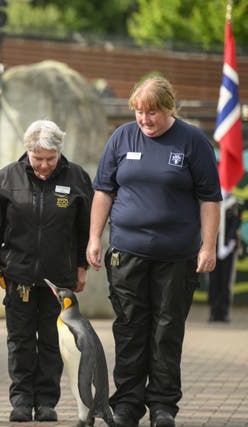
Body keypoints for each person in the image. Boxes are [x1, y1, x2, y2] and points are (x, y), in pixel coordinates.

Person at [86, 76, 222, 427]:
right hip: (127, 252)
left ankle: (163, 405)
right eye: (139, 112)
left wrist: (208, 246)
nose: (144, 119)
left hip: (176, 256)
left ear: (168, 109)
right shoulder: (122, 138)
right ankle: (128, 403)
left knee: (166, 330)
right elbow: (103, 191)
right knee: (130, 327)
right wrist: (94, 238)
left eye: (152, 112)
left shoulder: (193, 141)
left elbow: (210, 199)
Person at [0, 119, 93, 423]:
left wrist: (81, 267)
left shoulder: (78, 178)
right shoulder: (8, 177)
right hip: (18, 276)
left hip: (59, 278)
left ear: (59, 153)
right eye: (38, 158)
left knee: (51, 341)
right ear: (27, 151)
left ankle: (46, 401)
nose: (44, 165)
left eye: (50, 159)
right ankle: (20, 399)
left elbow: (85, 229)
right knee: (19, 340)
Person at [208, 195, 241, 322]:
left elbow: (235, 222)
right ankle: (213, 311)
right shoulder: (211, 199)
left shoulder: (233, 202)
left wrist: (229, 244)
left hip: (228, 248)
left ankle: (224, 312)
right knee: (213, 281)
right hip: (213, 247)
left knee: (226, 281)